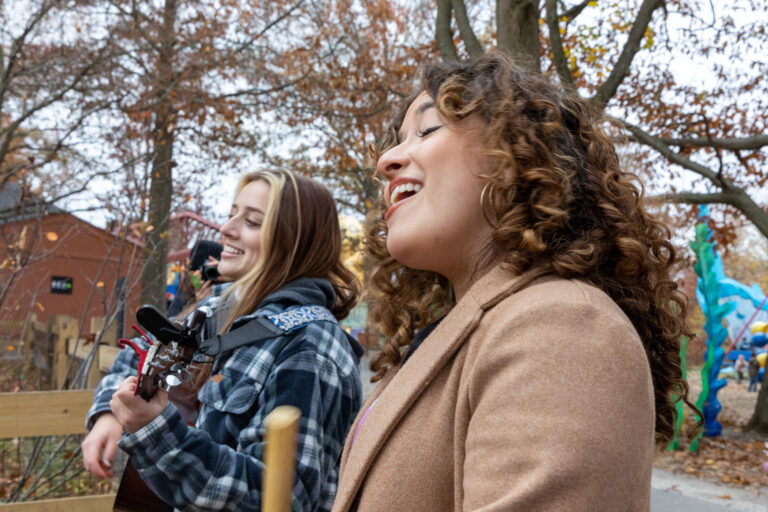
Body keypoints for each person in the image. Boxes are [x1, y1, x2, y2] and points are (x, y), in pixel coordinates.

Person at [331, 52, 697, 512]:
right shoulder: (465, 332)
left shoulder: (563, 326)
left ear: (516, 157)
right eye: (398, 141)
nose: (387, 161)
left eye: (427, 130)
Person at [82, 170, 364, 511]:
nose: (226, 229)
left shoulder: (312, 346)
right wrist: (109, 414)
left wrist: (155, 431)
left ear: (295, 243)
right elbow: (140, 353)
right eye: (232, 213)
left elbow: (280, 500)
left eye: (252, 221)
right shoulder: (217, 309)